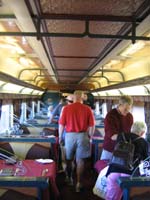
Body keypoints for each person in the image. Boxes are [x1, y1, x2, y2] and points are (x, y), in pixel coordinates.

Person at [58, 90, 95, 192]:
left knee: (69, 160)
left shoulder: (66, 108)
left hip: (69, 136)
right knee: (81, 161)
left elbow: (61, 125)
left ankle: (69, 179)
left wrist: (60, 137)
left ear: (73, 98)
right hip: (83, 135)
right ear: (82, 98)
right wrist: (90, 136)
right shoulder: (88, 109)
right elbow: (92, 125)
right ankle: (79, 183)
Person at [105, 121, 148, 200]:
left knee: (111, 197)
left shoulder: (121, 136)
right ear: (142, 133)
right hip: (130, 174)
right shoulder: (144, 142)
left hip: (114, 169)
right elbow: (145, 162)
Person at [101, 95, 134, 161]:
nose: (127, 111)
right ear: (120, 105)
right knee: (104, 169)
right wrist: (130, 136)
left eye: (129, 109)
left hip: (123, 149)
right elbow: (113, 136)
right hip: (110, 148)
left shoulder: (129, 116)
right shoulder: (111, 116)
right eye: (125, 109)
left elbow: (129, 131)